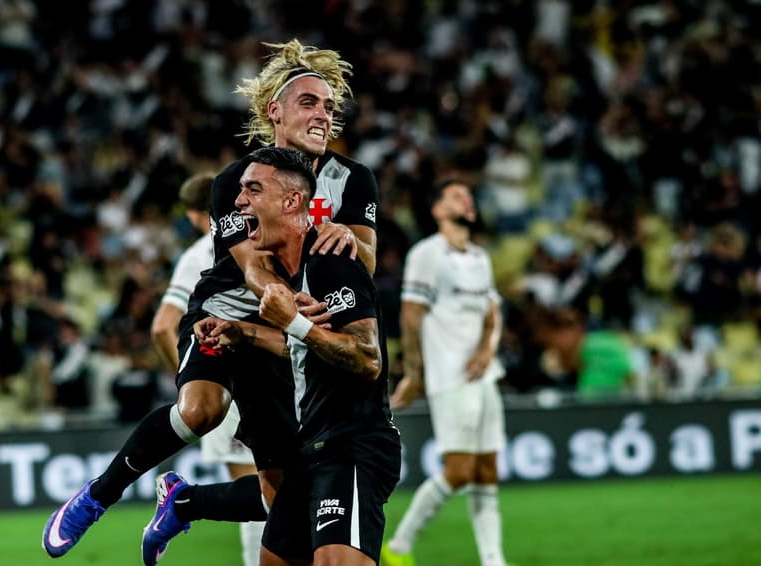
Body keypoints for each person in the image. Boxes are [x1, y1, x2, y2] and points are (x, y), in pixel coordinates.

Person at [42, 39, 381, 562]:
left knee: (281, 492)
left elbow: (367, 261)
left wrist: (340, 238)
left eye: (330, 107)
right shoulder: (238, 182)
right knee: (200, 411)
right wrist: (292, 303)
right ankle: (97, 495)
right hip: (230, 308)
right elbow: (251, 267)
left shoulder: (353, 179)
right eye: (309, 102)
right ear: (276, 111)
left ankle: (184, 503)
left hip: (289, 329)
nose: (323, 114)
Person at [144, 147, 400, 566]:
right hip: (307, 449)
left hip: (351, 446)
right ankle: (185, 502)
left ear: (292, 201)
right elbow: (304, 349)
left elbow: (368, 359)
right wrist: (241, 332)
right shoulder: (287, 273)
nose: (239, 201)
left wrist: (295, 322)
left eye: (252, 190)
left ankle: (184, 502)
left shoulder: (332, 260)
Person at [381, 180, 509, 566]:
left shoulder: (479, 256)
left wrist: (487, 350)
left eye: (469, 195)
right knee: (459, 470)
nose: (467, 199)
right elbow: (411, 314)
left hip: (483, 374)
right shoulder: (426, 254)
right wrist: (415, 373)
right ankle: (400, 545)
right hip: (449, 374)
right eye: (456, 196)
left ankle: (493, 560)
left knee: (487, 470)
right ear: (437, 210)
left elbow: (492, 312)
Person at [149, 172, 265, 566]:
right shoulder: (260, 238)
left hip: (223, 383)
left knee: (256, 490)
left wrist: (188, 382)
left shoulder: (200, 252)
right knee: (272, 490)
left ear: (196, 215)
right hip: (268, 377)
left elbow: (163, 325)